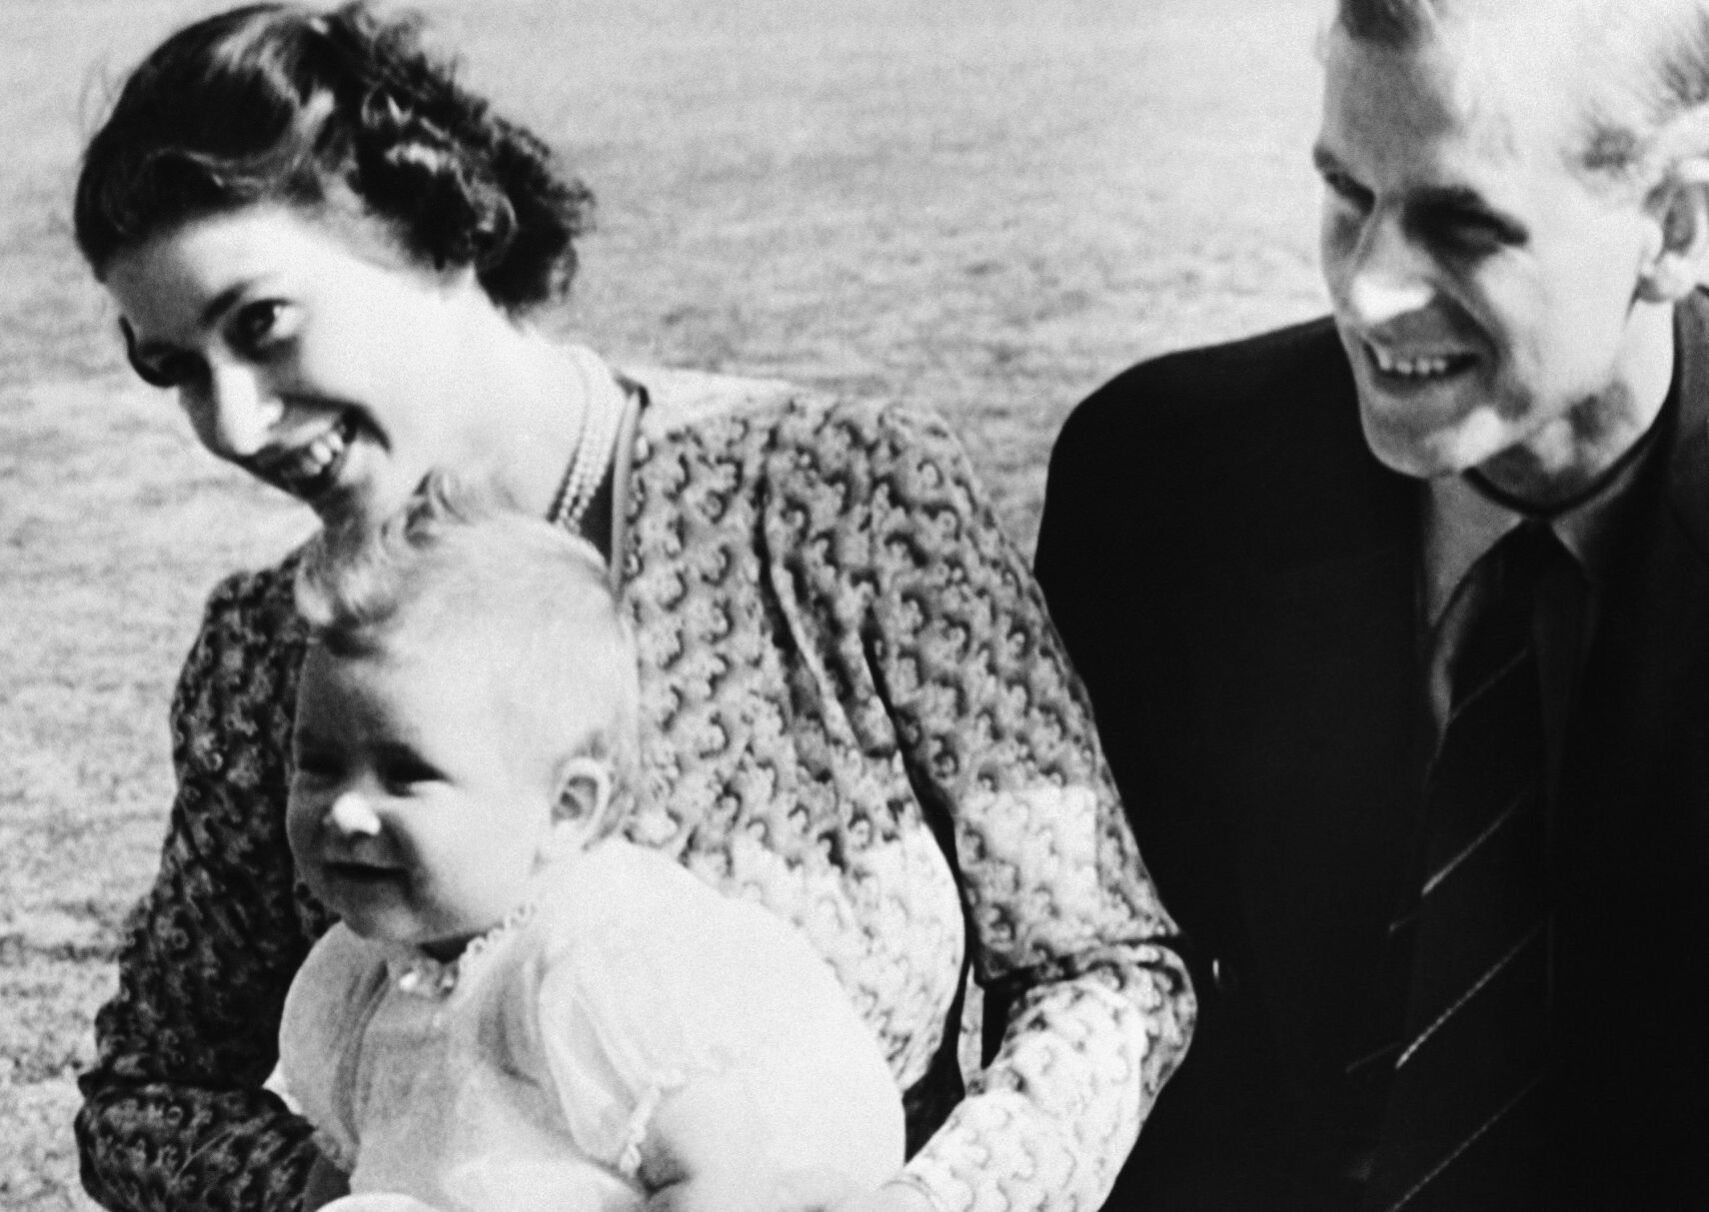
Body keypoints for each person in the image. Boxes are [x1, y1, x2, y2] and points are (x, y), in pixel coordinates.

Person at [71, 5, 1194, 1211]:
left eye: (261, 326)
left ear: (433, 237)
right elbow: (152, 1093)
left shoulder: (843, 499)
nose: (232, 424)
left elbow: (1103, 972)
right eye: (176, 368)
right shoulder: (269, 649)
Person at [1037, 0, 1709, 1208]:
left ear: (1674, 226)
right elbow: (1117, 998)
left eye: (1460, 225)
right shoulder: (1154, 486)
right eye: (1346, 193)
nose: (1368, 292)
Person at [274, 477, 903, 1211]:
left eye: (407, 775)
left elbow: (720, 1182)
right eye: (317, 766)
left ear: (564, 811)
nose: (346, 811)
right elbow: (349, 1171)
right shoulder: (362, 980)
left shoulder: (594, 969)